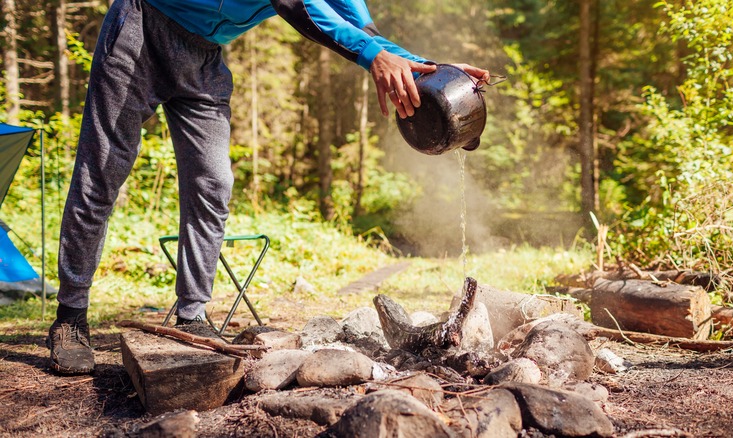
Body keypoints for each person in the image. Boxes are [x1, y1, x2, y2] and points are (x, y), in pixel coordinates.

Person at [47, 0, 490, 374]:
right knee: (102, 171)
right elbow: (299, 5)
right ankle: (70, 317)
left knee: (213, 182)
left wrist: (425, 70)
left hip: (204, 56)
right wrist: (373, 55)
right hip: (143, 28)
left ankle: (192, 314)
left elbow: (357, 26)